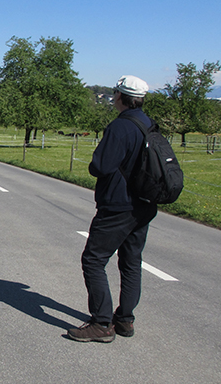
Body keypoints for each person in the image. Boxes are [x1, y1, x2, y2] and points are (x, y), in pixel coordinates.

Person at [67, 75, 158, 343]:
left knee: (93, 260)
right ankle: (125, 320)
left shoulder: (120, 127)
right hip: (144, 204)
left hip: (118, 204)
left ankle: (102, 323)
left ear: (119, 96)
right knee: (131, 262)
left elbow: (100, 166)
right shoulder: (148, 124)